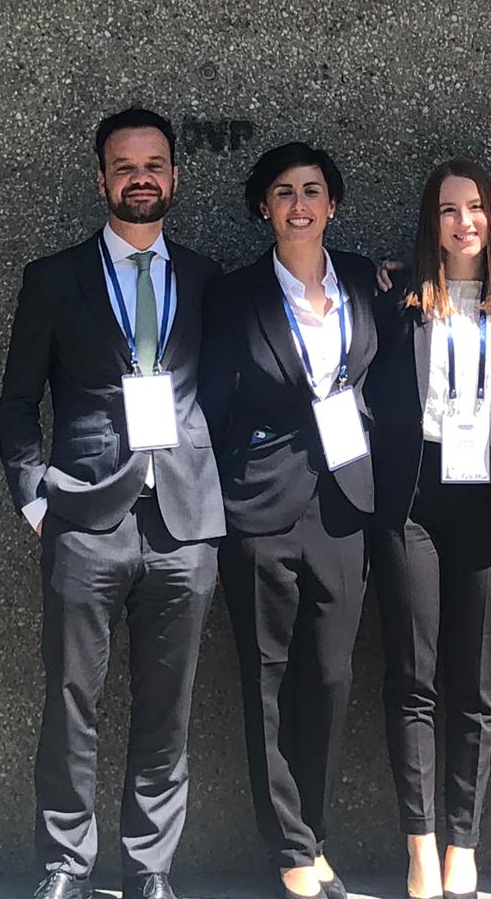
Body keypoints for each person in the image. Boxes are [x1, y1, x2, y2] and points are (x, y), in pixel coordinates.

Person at [0, 107, 225, 899]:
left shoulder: (206, 279)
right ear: (101, 179)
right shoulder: (53, 279)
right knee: (71, 702)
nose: (140, 178)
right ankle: (66, 863)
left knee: (168, 709)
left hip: (184, 523)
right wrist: (34, 499)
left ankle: (150, 867)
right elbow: (18, 401)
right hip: (84, 519)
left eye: (154, 164)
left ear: (175, 176)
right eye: (124, 166)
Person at [201, 142, 379, 899]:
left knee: (331, 676)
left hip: (344, 505)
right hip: (260, 509)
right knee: (267, 679)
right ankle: (292, 849)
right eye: (283, 193)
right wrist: (212, 509)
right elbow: (210, 408)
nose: (299, 205)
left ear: (332, 204)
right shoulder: (234, 296)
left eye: (312, 191)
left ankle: (316, 833)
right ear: (263, 208)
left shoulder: (365, 281)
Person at [366, 161, 491, 899]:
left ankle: (464, 842)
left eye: (474, 208)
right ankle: (421, 846)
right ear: (430, 223)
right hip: (415, 501)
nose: (463, 222)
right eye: (446, 209)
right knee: (413, 677)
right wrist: (377, 270)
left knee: (476, 684)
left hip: (490, 503)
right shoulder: (398, 300)